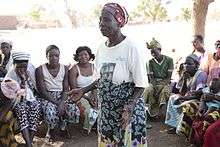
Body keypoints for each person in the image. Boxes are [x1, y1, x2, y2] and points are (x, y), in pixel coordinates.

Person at [68, 3, 148, 146]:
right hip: (106, 110)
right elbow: (102, 79)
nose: (101, 24)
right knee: (108, 142)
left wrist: (129, 107)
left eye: (106, 20)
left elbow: (141, 84)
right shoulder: (102, 48)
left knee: (128, 141)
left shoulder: (131, 47)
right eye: (100, 20)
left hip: (127, 110)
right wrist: (83, 90)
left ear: (119, 22)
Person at [35, 45, 80, 141]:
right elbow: (42, 91)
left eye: (56, 55)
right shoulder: (40, 69)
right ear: (46, 56)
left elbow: (65, 89)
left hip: (62, 95)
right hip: (47, 96)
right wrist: (58, 103)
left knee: (73, 109)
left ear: (59, 56)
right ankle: (51, 130)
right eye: (51, 56)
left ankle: (63, 128)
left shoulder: (64, 68)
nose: (54, 58)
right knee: (50, 111)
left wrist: (62, 102)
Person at [2, 51, 42, 147]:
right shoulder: (11, 75)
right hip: (16, 101)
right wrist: (23, 80)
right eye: (19, 67)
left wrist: (27, 79)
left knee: (35, 108)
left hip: (31, 98)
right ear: (14, 64)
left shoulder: (31, 70)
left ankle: (29, 142)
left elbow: (36, 88)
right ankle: (29, 144)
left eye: (24, 66)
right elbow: (15, 96)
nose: (22, 69)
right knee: (22, 110)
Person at [165, 54, 207, 134]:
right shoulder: (185, 74)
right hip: (187, 96)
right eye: (185, 63)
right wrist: (184, 79)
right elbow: (181, 92)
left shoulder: (201, 74)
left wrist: (182, 98)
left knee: (186, 105)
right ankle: (175, 125)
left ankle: (183, 129)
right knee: (172, 98)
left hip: (198, 100)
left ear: (196, 65)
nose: (186, 66)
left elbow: (198, 94)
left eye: (189, 64)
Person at [68, 46, 98, 133]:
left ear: (90, 56)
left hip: (93, 93)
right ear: (77, 57)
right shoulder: (74, 69)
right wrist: (88, 98)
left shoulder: (94, 67)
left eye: (86, 54)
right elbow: (74, 89)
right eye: (80, 55)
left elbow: (97, 84)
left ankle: (96, 125)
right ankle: (87, 128)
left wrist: (94, 95)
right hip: (79, 95)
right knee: (88, 111)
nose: (83, 57)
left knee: (100, 106)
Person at [144, 38, 174, 117]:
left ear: (160, 50)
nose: (153, 53)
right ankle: (150, 113)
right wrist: (155, 87)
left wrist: (161, 87)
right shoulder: (149, 62)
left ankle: (161, 113)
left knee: (164, 92)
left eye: (154, 50)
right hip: (154, 82)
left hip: (165, 82)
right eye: (151, 51)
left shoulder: (169, 60)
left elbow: (168, 78)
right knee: (148, 90)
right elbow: (151, 78)